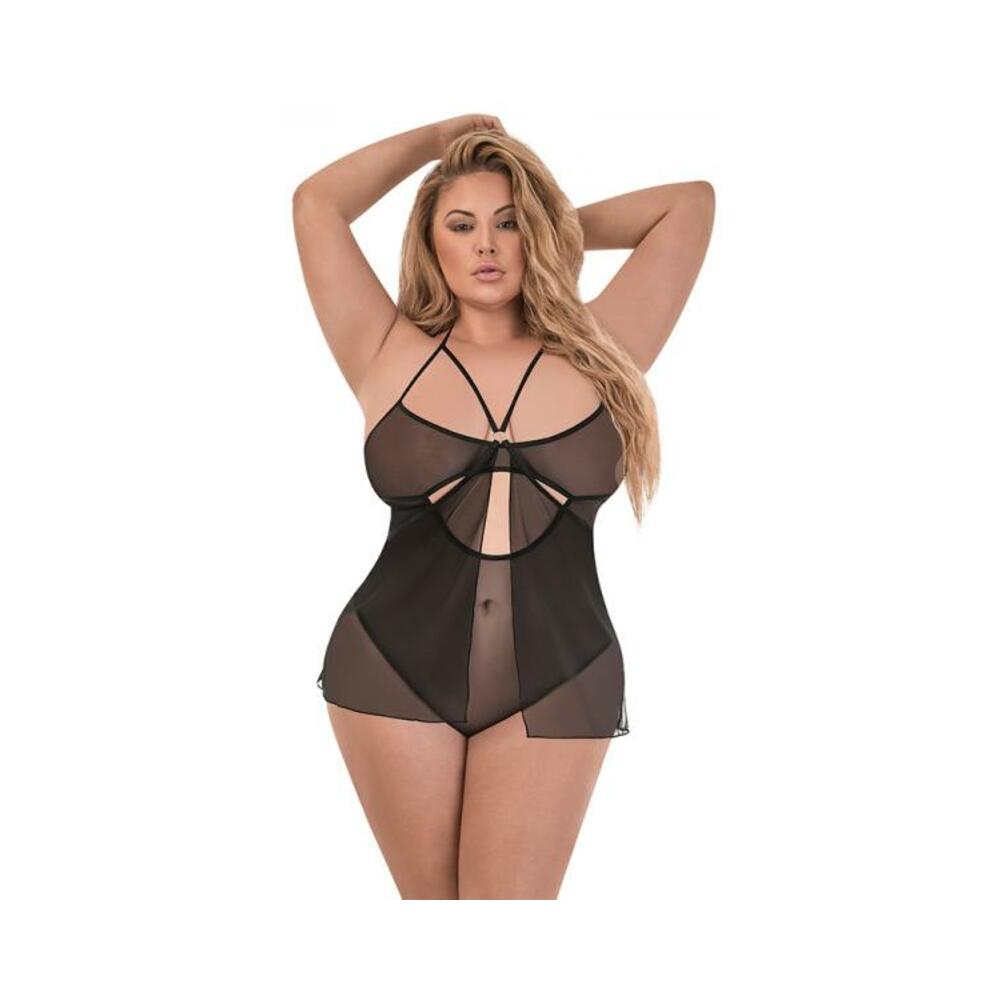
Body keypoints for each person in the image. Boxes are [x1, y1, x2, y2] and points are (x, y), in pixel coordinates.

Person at [292, 115, 715, 899]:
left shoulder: (604, 350)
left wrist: (552, 226)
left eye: (508, 224)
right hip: (393, 665)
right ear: (431, 243)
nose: (486, 244)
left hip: (559, 670)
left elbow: (689, 204)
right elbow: (317, 203)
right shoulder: (384, 349)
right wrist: (435, 139)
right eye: (461, 226)